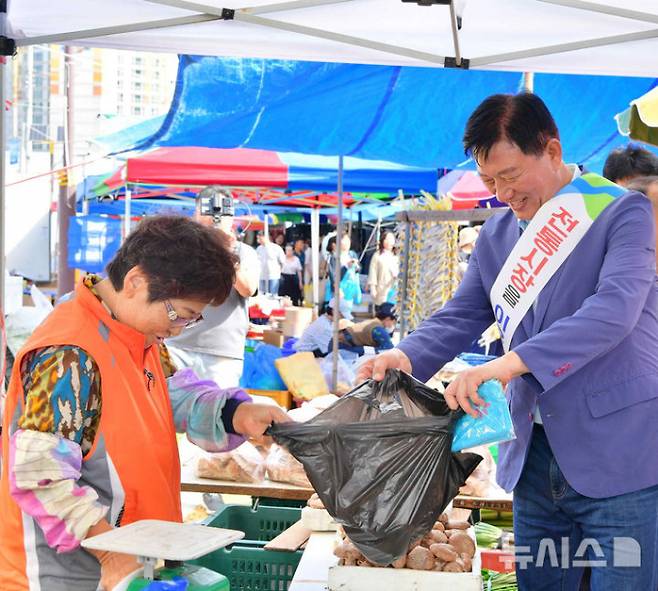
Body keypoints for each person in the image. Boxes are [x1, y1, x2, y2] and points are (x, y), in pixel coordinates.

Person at [358, 93, 658, 590]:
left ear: (553, 150)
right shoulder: (499, 233)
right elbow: (463, 314)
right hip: (534, 460)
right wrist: (404, 355)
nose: (502, 194)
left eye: (511, 175)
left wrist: (507, 365)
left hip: (618, 453)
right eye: (490, 181)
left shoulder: (621, 213)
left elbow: (613, 312)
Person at [0, 216, 290, 591]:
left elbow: (175, 394)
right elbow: (40, 475)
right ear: (136, 281)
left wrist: (237, 414)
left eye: (192, 319)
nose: (177, 330)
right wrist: (109, 551)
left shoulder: (139, 336)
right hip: (73, 576)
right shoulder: (69, 354)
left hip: (140, 561)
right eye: (180, 315)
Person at [166, 197, 259, 388]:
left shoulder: (244, 252)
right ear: (196, 214)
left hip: (222, 351)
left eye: (223, 213)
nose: (214, 218)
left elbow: (248, 289)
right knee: (171, 409)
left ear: (232, 217)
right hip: (178, 344)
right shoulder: (182, 248)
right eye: (207, 211)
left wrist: (227, 254)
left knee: (217, 411)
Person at [367, 230, 399, 311]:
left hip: (393, 288)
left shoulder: (396, 256)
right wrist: (373, 288)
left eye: (391, 239)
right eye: (386, 239)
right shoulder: (377, 255)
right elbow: (372, 273)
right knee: (382, 310)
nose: (389, 242)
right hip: (381, 289)